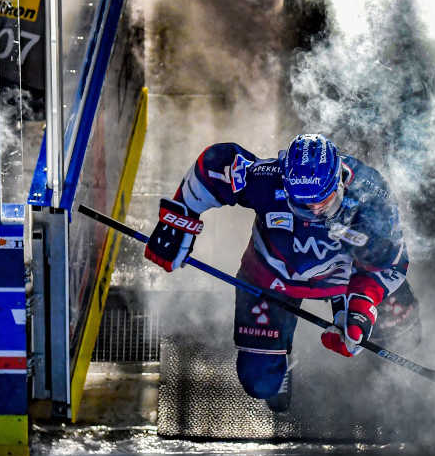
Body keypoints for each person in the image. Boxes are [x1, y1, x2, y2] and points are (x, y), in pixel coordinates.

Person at [143, 133, 420, 412]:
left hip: (344, 279)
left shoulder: (371, 196)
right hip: (271, 278)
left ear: (339, 181)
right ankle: (280, 356)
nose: (313, 209)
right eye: (302, 202)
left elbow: (393, 263)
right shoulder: (267, 177)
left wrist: (360, 305)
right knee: (261, 383)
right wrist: (178, 221)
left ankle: (389, 368)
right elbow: (213, 167)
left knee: (402, 332)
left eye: (322, 201)